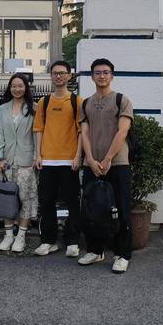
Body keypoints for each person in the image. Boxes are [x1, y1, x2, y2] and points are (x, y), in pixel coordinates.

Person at [78, 58, 133, 274]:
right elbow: (84, 133)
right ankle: (95, 250)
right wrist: (91, 160)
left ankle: (122, 254)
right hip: (92, 164)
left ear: (112, 76)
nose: (102, 76)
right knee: (92, 208)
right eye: (98, 72)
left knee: (120, 208)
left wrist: (108, 158)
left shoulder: (121, 100)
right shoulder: (86, 103)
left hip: (117, 163)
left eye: (106, 72)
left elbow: (123, 131)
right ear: (92, 77)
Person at [33, 60, 83, 257]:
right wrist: (38, 155)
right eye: (55, 73)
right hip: (47, 160)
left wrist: (78, 155)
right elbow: (39, 129)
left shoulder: (77, 101)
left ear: (69, 76)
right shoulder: (44, 102)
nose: (58, 76)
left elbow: (81, 131)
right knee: (46, 203)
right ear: (51, 76)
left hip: (69, 160)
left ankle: (72, 241)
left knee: (72, 203)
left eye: (62, 73)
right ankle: (48, 241)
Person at [0, 73, 38, 253]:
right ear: (9, 88)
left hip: (26, 160)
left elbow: (37, 134)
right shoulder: (3, 108)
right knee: (7, 199)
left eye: (20, 86)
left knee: (26, 199)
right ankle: (8, 235)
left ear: (26, 88)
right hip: (6, 161)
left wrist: (36, 156)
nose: (17, 89)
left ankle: (21, 236)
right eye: (14, 86)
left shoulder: (34, 108)